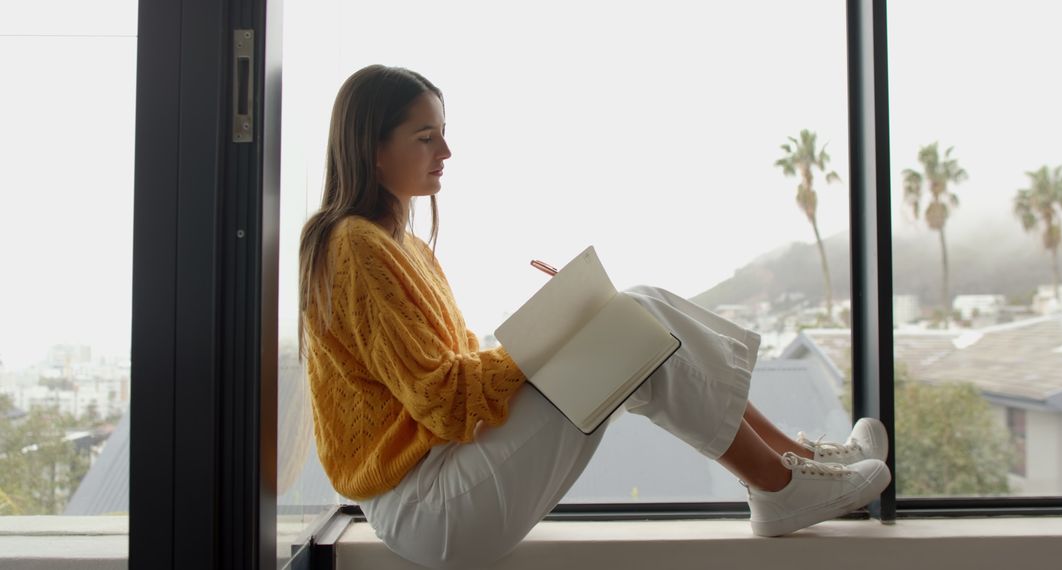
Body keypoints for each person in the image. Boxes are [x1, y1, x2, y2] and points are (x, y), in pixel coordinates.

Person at [298, 64, 892, 570]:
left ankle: (795, 466)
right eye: (426, 137)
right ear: (373, 151)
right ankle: (781, 483)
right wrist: (560, 330)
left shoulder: (404, 246)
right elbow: (447, 400)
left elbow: (450, 381)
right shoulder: (353, 246)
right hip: (426, 504)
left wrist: (567, 322)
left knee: (637, 315)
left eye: (444, 134)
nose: (446, 152)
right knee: (631, 319)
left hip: (446, 478)